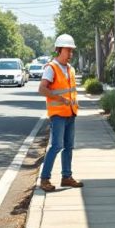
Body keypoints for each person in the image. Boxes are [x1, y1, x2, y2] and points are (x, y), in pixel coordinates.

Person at [37, 33, 83, 192]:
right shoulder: (51, 68)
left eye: (72, 51)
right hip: (58, 114)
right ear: (59, 50)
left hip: (70, 113)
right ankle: (44, 179)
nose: (70, 54)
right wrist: (61, 99)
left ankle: (66, 177)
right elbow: (42, 89)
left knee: (69, 146)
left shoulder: (70, 68)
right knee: (57, 145)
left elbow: (71, 90)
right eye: (68, 50)